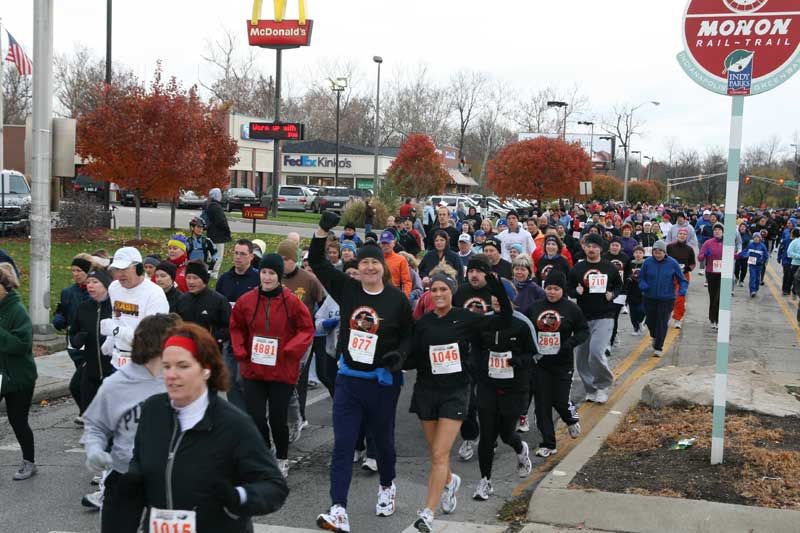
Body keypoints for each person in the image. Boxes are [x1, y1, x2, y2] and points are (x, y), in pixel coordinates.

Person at [112, 323, 289, 533]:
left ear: (206, 369)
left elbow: (274, 487)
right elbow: (140, 461)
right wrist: (131, 480)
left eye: (183, 366)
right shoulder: (153, 410)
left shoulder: (233, 424)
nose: (171, 374)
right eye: (166, 366)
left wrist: (237, 497)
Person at [310, 212, 413, 533]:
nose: (370, 268)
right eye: (365, 263)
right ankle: (338, 508)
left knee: (382, 442)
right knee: (343, 445)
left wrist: (400, 356)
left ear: (383, 267)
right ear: (358, 267)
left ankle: (387, 485)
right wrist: (323, 230)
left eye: (375, 263)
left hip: (383, 382)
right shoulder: (347, 289)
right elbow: (317, 262)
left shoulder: (396, 300)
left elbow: (410, 336)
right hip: (349, 380)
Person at [407, 270, 511, 532]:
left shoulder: (466, 319)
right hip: (427, 391)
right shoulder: (423, 323)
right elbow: (412, 355)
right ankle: (450, 480)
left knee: (441, 453)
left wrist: (498, 292)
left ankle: (428, 512)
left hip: (456, 391)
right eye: (435, 290)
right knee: (436, 454)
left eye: (444, 289)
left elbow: (504, 320)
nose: (439, 294)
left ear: (452, 292)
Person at [80, 313, 181, 517]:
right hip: (124, 476)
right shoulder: (117, 384)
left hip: (170, 478)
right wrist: (94, 450)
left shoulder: (185, 383)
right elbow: (96, 427)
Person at [229, 253, 315, 478]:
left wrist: (291, 350)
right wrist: (240, 350)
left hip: (281, 371)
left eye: (272, 274)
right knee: (256, 416)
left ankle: (282, 458)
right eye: (264, 273)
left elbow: (306, 329)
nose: (266, 278)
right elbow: (236, 326)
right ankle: (266, 450)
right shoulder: (247, 300)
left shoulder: (292, 302)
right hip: (254, 369)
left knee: (278, 418)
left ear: (280, 276)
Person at [472, 293, 535, 500]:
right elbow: (475, 348)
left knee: (506, 434)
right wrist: (478, 365)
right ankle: (485, 481)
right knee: (487, 436)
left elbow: (534, 354)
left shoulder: (522, 323)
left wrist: (518, 361)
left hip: (514, 388)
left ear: (511, 300)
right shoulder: (484, 322)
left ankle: (520, 448)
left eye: (501, 297)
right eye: (494, 298)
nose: (497, 302)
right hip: (488, 386)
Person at [527, 271, 588, 458]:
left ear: (562, 290)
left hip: (562, 363)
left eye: (556, 289)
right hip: (540, 364)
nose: (551, 292)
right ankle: (548, 443)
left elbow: (583, 331)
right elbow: (526, 330)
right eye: (549, 288)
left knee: (560, 400)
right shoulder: (535, 308)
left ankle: (571, 418)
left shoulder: (571, 309)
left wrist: (569, 344)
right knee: (542, 405)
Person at [276, 239, 326, 442]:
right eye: (280, 258)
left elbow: (324, 303)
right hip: (279, 336)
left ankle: (298, 417)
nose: (283, 262)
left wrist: (319, 323)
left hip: (303, 337)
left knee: (295, 378)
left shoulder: (309, 279)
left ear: (294, 259)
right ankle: (284, 417)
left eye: (286, 259)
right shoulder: (274, 277)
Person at [567, 233, 623, 404]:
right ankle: (590, 389)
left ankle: (602, 385)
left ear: (601, 249)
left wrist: (612, 294)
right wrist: (576, 291)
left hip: (605, 316)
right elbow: (568, 288)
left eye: (595, 247)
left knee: (596, 352)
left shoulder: (609, 267)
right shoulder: (577, 268)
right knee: (581, 358)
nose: (591, 249)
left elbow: (619, 285)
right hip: (582, 317)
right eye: (589, 246)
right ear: (584, 248)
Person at [103, 247, 170, 369]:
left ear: (138, 268)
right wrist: (111, 339)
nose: (119, 275)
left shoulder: (154, 293)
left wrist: (115, 331)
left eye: (124, 269)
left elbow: (150, 337)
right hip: (118, 361)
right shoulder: (114, 288)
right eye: (116, 270)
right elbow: (117, 317)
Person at [0, 264, 38, 480]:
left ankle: (29, 462)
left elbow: (20, 345)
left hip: (19, 377)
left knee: (18, 420)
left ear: (3, 287)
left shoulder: (17, 311)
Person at [215, 239, 260, 409]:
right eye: (236, 253)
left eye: (242, 254)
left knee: (245, 380)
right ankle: (239, 415)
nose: (238, 257)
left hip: (249, 339)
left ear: (251, 257)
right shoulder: (225, 279)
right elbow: (217, 306)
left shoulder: (257, 280)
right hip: (229, 338)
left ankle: (252, 414)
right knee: (230, 380)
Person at [53, 254, 94, 423]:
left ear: (87, 272)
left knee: (81, 383)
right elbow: (61, 312)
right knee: (83, 382)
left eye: (79, 271)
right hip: (75, 344)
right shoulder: (68, 292)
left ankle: (88, 414)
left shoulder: (94, 291)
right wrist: (58, 320)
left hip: (92, 343)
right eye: (73, 271)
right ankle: (87, 412)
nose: (76, 274)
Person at [70, 270, 114, 420]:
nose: (90, 285)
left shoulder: (115, 307)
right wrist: (77, 340)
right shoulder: (83, 308)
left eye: (95, 282)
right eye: (88, 282)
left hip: (111, 366)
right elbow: (73, 333)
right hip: (91, 365)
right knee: (76, 388)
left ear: (106, 285)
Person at [639, 241, 687, 357]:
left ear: (664, 252)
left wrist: (682, 290)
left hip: (667, 298)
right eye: (655, 252)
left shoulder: (672, 263)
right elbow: (641, 278)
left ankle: (658, 347)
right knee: (651, 321)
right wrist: (643, 285)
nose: (657, 254)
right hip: (649, 297)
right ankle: (655, 336)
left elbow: (682, 280)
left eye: (660, 252)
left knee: (662, 321)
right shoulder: (647, 262)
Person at [176, 261, 231, 348]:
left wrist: (213, 339)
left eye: (195, 278)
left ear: (204, 280)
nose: (191, 282)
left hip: (210, 350)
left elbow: (228, 327)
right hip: (185, 348)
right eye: (188, 278)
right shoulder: (182, 300)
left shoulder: (219, 301)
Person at [666, 228, 696, 329]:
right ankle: (666, 316)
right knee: (667, 297)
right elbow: (664, 260)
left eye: (684, 234)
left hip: (683, 276)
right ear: (677, 235)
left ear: (687, 236)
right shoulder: (669, 247)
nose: (682, 235)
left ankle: (678, 319)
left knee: (680, 297)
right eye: (680, 234)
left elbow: (692, 264)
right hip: (669, 275)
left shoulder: (689, 249)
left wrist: (686, 269)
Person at [699, 223, 724, 329]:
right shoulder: (708, 243)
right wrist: (705, 255)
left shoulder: (727, 243)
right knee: (713, 297)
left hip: (723, 274)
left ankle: (718, 320)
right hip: (711, 273)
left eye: (719, 230)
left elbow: (732, 255)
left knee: (720, 298)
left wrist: (740, 255)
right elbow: (700, 258)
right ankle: (712, 319)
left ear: (722, 232)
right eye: (715, 230)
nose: (717, 231)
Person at [206, 187, 231, 280]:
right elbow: (221, 221)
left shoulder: (210, 206)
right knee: (218, 255)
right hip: (219, 235)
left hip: (211, 234)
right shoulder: (217, 207)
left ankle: (210, 271)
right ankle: (214, 273)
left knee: (212, 253)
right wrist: (227, 230)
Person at [380, 229, 413, 297]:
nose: (386, 245)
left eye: (388, 243)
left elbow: (407, 282)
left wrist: (404, 298)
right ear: (380, 244)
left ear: (393, 243)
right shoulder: (376, 259)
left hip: (394, 293)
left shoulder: (401, 260)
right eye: (383, 243)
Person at [741, 231, 769, 298]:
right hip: (752, 264)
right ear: (753, 238)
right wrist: (743, 255)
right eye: (755, 237)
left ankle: (756, 289)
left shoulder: (762, 246)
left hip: (759, 265)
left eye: (758, 237)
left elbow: (766, 255)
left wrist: (763, 261)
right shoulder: (750, 245)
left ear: (760, 238)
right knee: (752, 277)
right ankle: (752, 290)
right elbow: (745, 251)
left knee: (757, 278)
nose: (756, 238)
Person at [626, 247, 647, 335]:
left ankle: (641, 321)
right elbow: (626, 274)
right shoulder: (630, 263)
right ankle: (636, 328)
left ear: (643, 254)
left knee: (641, 310)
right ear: (633, 254)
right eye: (636, 252)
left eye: (640, 252)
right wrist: (629, 277)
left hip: (642, 291)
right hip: (631, 290)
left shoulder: (646, 264)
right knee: (633, 312)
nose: (638, 254)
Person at [780, 228, 800, 296]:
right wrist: (779, 257)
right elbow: (784, 250)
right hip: (788, 261)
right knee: (788, 276)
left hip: (796, 263)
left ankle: (794, 290)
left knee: (795, 279)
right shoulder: (789, 241)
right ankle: (785, 290)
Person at [735, 223, 752, 287]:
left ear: (746, 228)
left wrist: (745, 252)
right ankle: (736, 277)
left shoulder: (748, 235)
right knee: (736, 268)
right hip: (737, 254)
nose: (742, 228)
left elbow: (749, 245)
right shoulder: (736, 234)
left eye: (744, 227)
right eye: (741, 227)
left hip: (745, 255)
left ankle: (741, 280)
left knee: (744, 268)